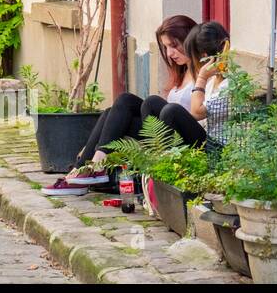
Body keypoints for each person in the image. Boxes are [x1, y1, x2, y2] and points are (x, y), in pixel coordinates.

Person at [41, 14, 198, 196]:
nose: (170, 53)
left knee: (141, 102)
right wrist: (96, 142)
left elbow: (197, 115)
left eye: (174, 46)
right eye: (166, 47)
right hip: (164, 133)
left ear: (189, 41)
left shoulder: (204, 74)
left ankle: (91, 167)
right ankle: (81, 171)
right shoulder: (182, 71)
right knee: (115, 108)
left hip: (182, 140)